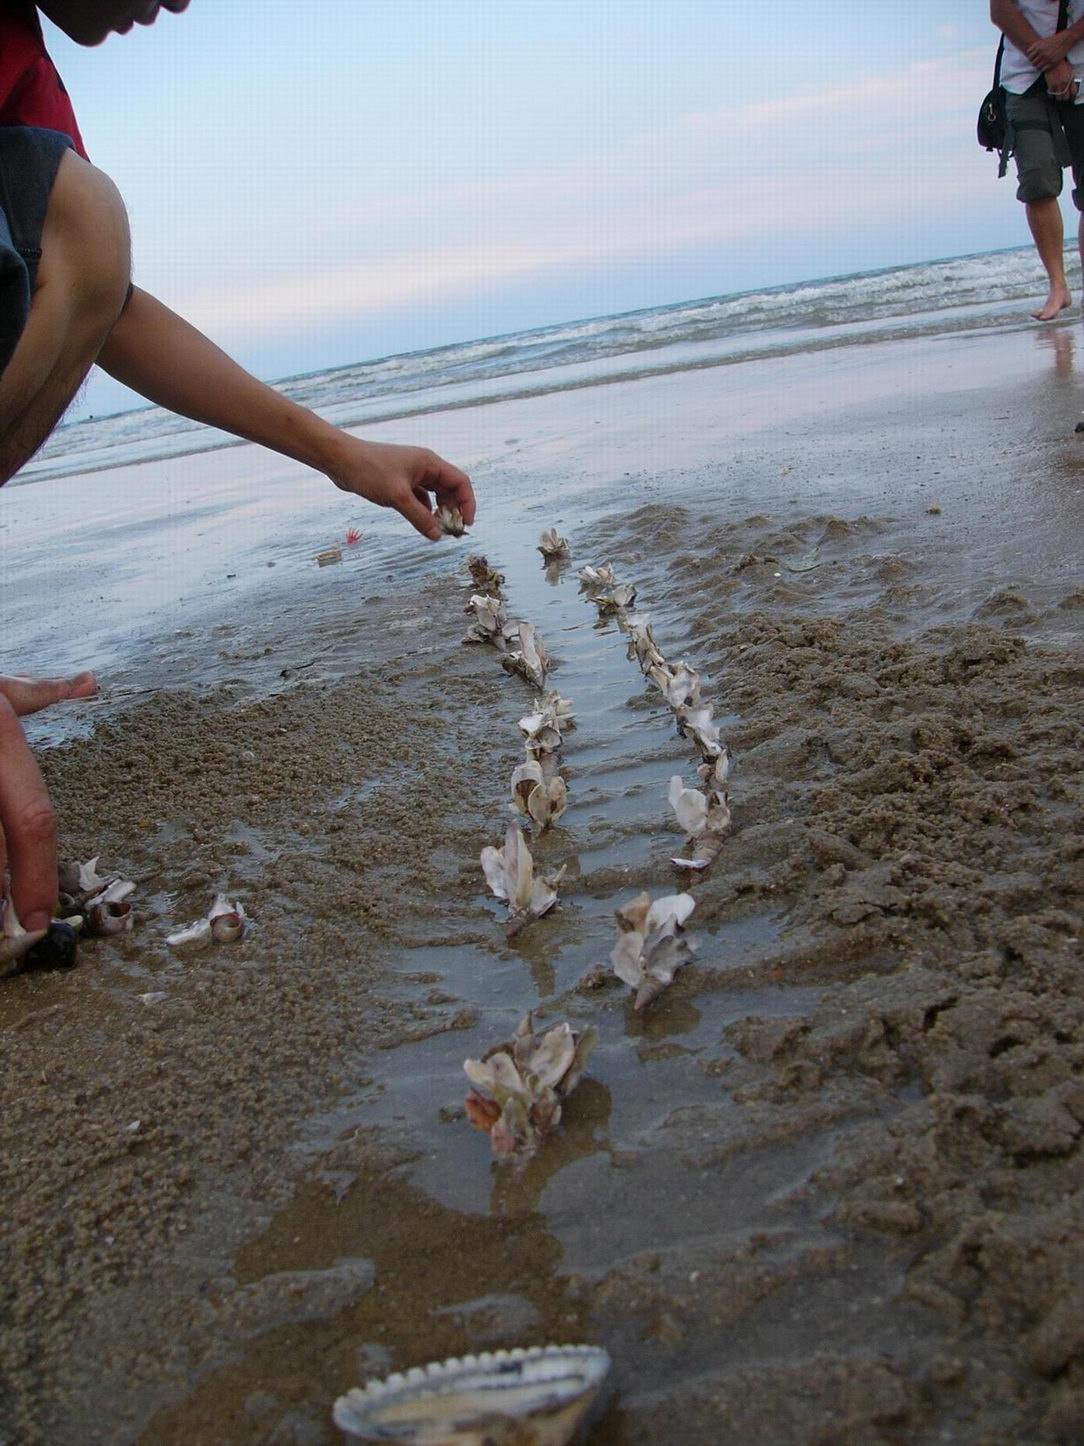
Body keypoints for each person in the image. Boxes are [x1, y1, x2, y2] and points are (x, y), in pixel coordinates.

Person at [0, 0, 476, 963]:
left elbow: (99, 301)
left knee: (75, 219)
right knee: (79, 211)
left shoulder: (25, 82)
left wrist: (345, 455)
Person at [990, 0, 1084, 320]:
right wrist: (1049, 61)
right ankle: (1058, 286)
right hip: (1024, 76)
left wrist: (1066, 40)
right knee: (1037, 180)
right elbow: (1000, 10)